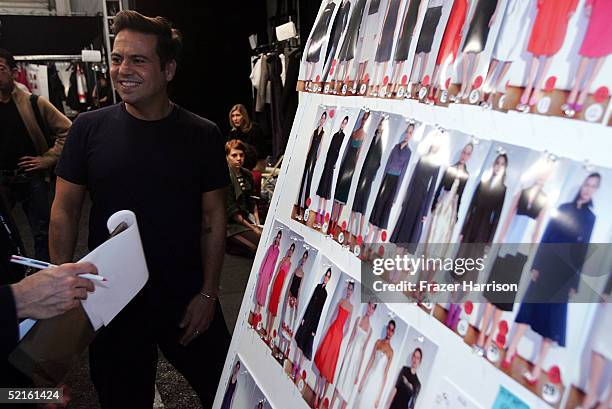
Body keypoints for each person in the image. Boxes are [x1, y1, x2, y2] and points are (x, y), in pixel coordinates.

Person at [49, 10, 230, 409]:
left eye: (137, 60)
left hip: (187, 298)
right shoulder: (88, 129)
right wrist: (60, 282)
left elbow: (213, 219)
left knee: (225, 393)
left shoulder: (203, 134)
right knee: (122, 400)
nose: (122, 70)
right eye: (117, 58)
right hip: (113, 302)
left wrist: (209, 294)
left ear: (168, 70)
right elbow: (64, 209)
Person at [0, 48, 71, 261]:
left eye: (1, 69)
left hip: (32, 178)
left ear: (14, 73)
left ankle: (44, 275)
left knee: (42, 232)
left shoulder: (33, 102)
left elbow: (68, 130)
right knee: (5, 232)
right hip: (3, 179)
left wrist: (47, 159)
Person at [225, 139, 261, 257]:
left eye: (241, 155)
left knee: (266, 241)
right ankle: (227, 245)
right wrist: (254, 228)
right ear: (227, 157)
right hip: (231, 225)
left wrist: (258, 223)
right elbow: (234, 213)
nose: (239, 158)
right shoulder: (225, 177)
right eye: (234, 155)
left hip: (246, 219)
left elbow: (252, 201)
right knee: (256, 249)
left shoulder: (247, 174)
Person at [228, 104, 267, 172]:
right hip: (240, 161)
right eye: (233, 116)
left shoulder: (255, 129)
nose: (235, 119)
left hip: (256, 162)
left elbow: (260, 152)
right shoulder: (233, 132)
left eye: (238, 115)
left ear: (244, 116)